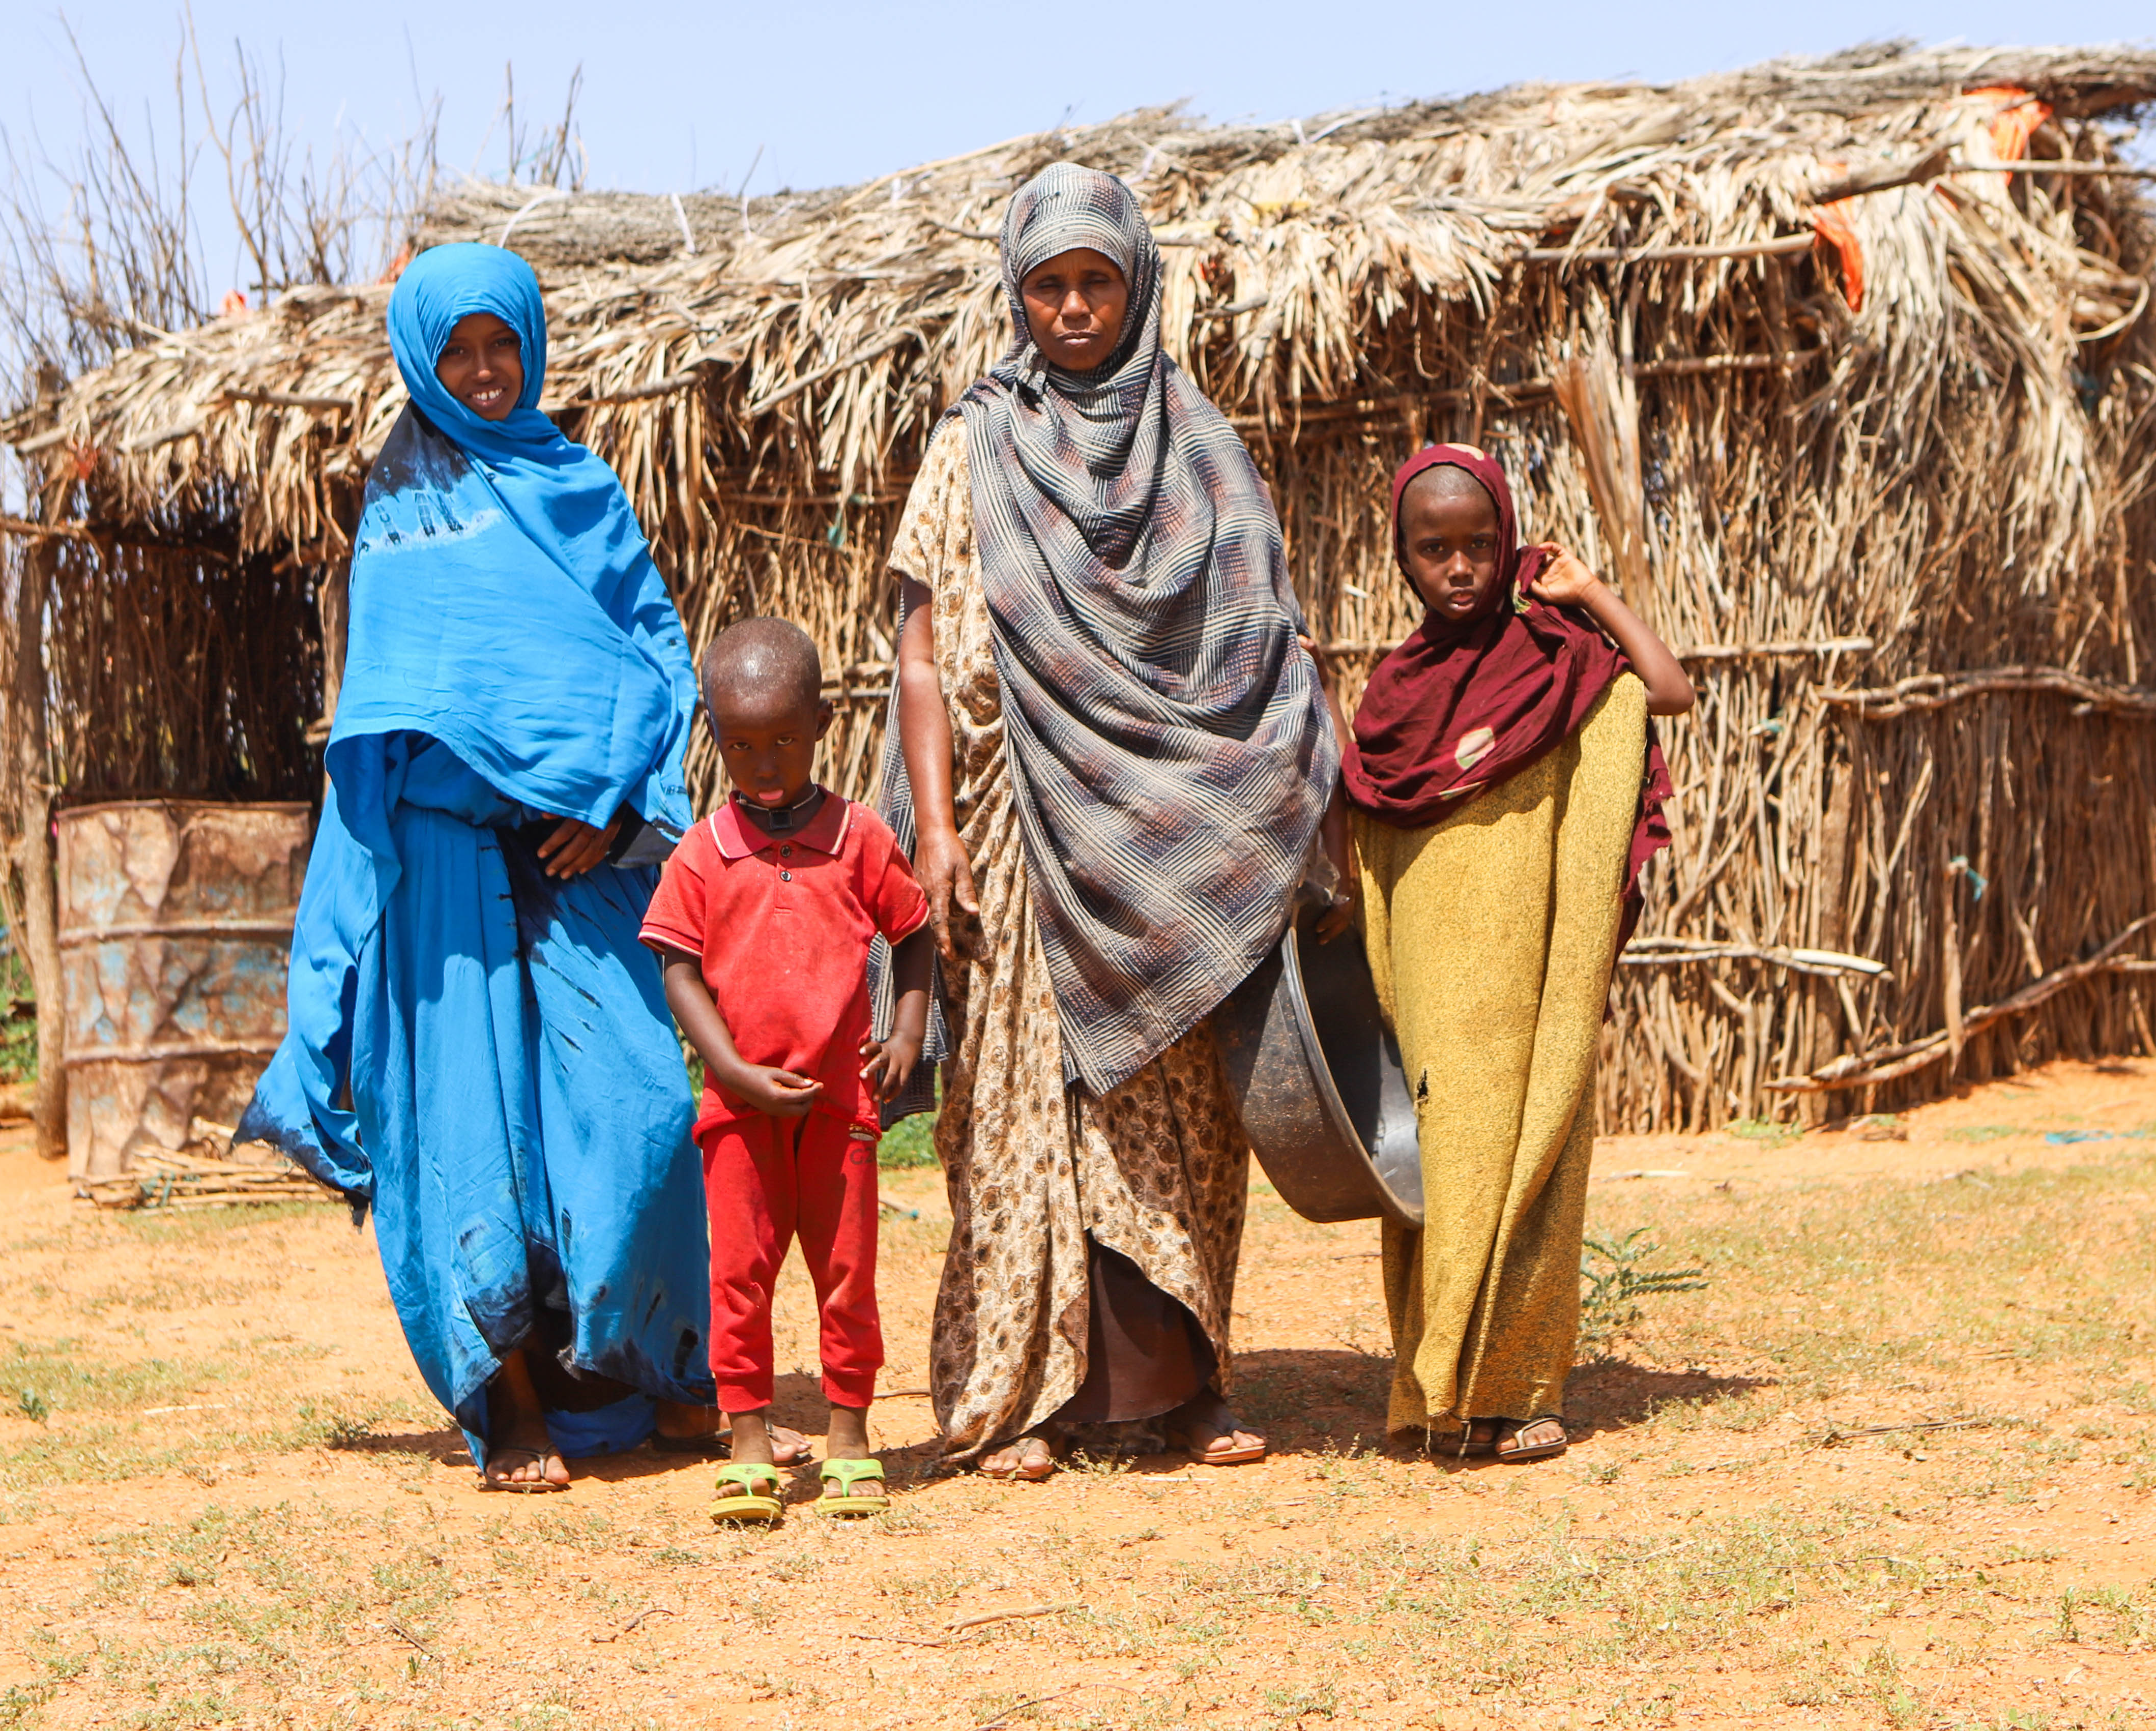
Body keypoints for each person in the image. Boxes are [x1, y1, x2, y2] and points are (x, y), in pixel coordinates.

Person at [241, 241, 724, 1492]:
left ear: (532, 344)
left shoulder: (583, 488)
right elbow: (388, 702)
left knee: (643, 1117)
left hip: (585, 860)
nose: (482, 369)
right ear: (419, 360)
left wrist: (619, 808)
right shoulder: (402, 515)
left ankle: (663, 1360)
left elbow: (656, 657)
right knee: (472, 1136)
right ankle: (509, 1403)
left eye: (500, 343)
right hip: (445, 868)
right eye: (454, 350)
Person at [884, 162, 1343, 1480]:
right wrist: (936, 824)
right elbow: (920, 646)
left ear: (1135, 288)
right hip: (1019, 818)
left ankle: (1183, 1391)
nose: (1074, 307)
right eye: (1050, 285)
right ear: (1016, 295)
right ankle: (1027, 1399)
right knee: (1021, 1102)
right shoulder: (973, 442)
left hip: (1171, 842)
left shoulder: (1198, 445)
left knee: (1173, 1114)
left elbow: (1264, 640)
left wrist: (1283, 794)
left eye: (1097, 282)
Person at [1342, 443, 1693, 1462]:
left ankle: (1524, 1388)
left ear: (1512, 543)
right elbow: (1364, 821)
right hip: (1433, 977)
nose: (1460, 567)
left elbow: (1662, 689)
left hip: (1533, 966)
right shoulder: (1394, 697)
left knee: (1535, 1155)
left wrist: (1593, 593)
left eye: (1480, 545)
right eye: (1433, 548)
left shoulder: (1561, 657)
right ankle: (1433, 1389)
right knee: (1440, 1165)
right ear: (1403, 558)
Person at [639, 619, 935, 1528]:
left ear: (820, 726)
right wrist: (727, 1067)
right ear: (715, 738)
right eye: (741, 745)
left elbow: (914, 936)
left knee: (846, 1270)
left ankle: (849, 1434)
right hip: (739, 1110)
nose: (764, 764)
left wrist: (907, 1033)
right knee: (739, 1275)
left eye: (784, 741)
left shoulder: (859, 839)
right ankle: (748, 1441)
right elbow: (676, 966)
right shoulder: (701, 853)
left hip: (840, 1103)